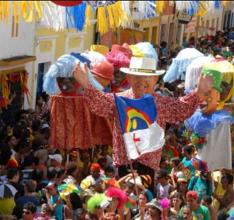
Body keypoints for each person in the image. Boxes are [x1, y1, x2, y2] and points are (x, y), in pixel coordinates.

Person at [73, 43, 218, 183]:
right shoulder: (120, 100)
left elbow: (181, 108)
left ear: (155, 79)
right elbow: (100, 104)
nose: (141, 81)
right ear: (129, 78)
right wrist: (87, 84)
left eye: (146, 77)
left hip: (148, 167)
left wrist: (199, 92)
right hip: (124, 164)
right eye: (136, 77)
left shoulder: (161, 103)